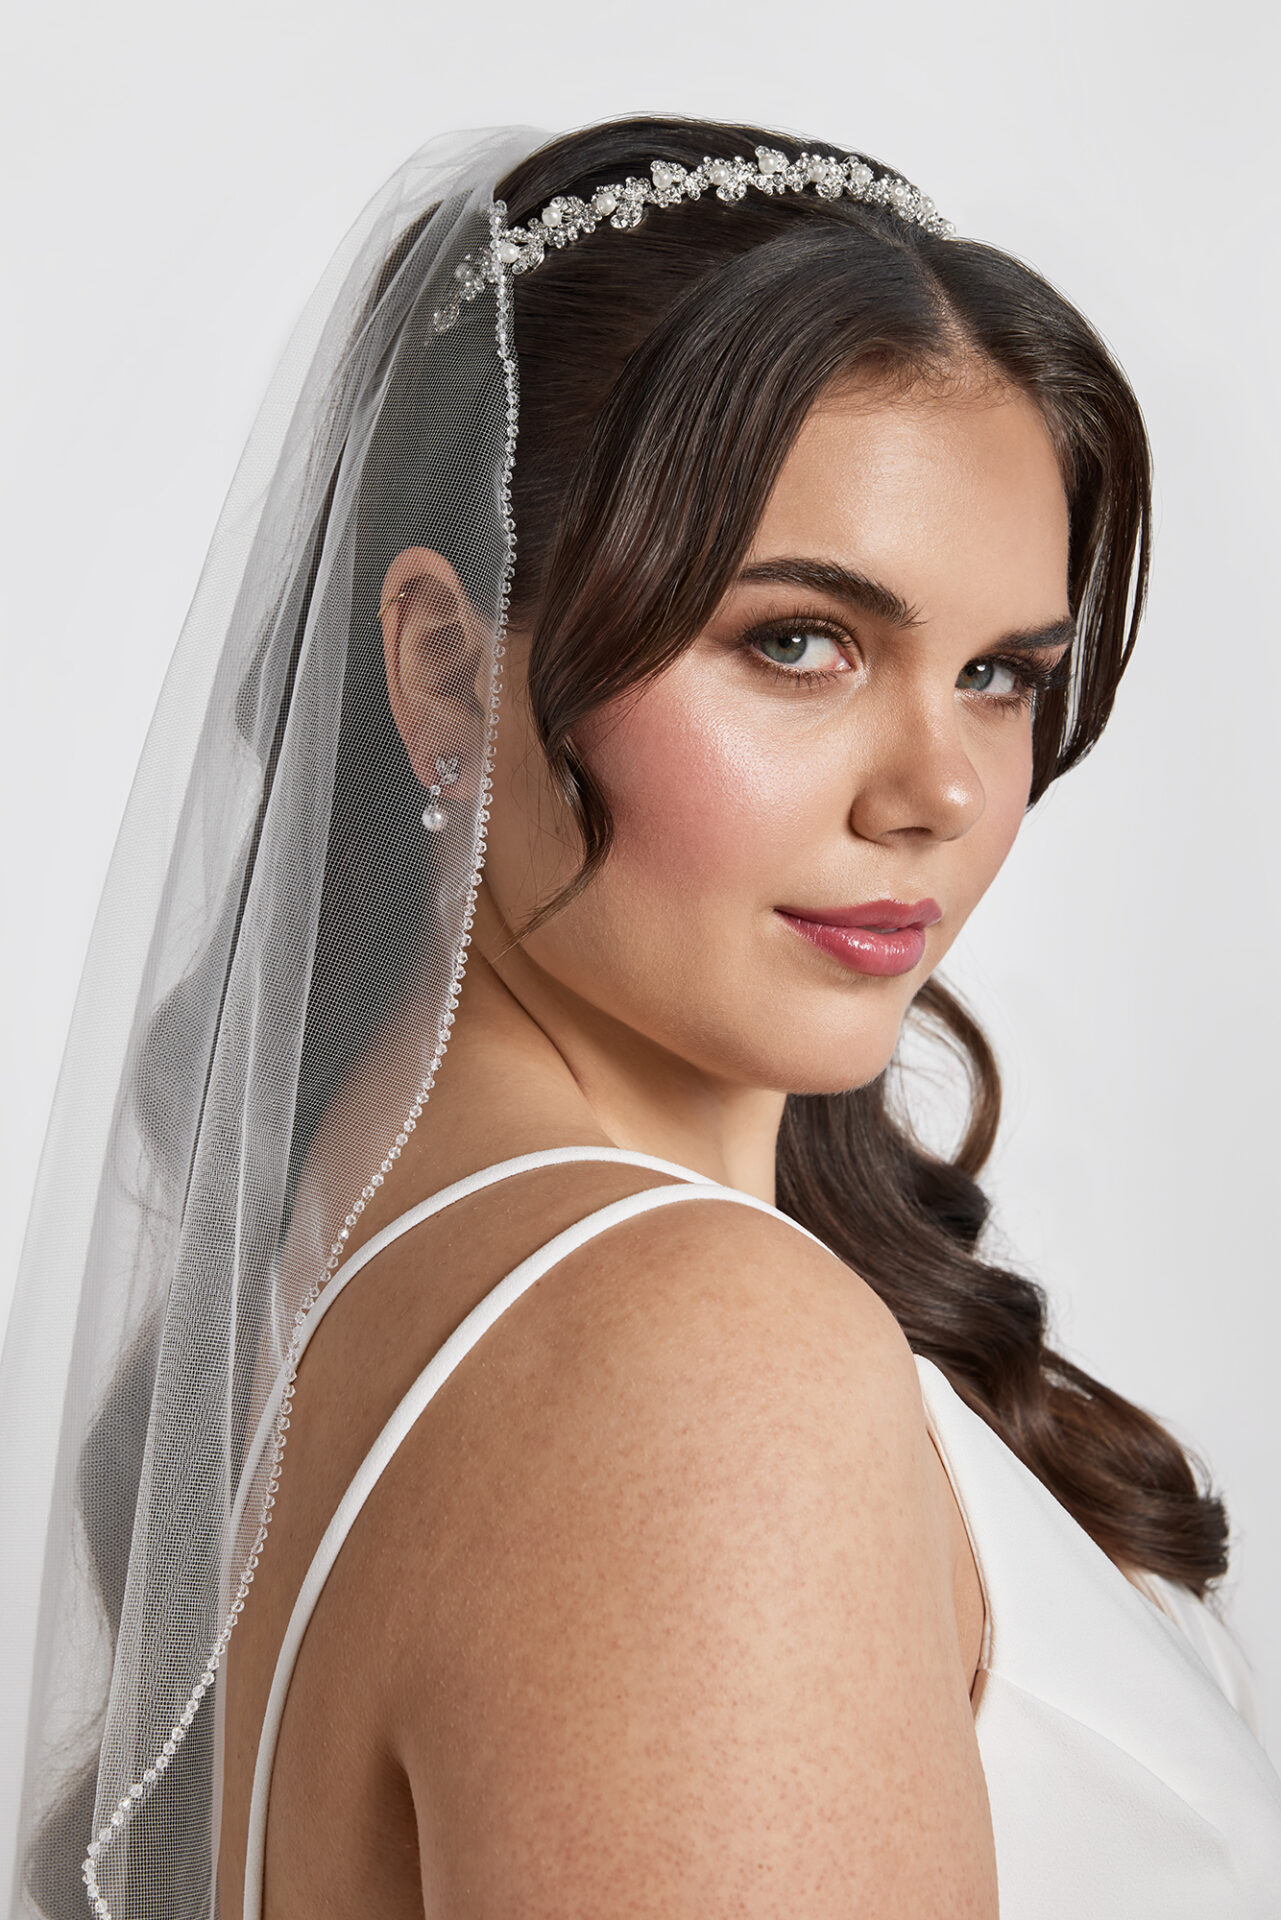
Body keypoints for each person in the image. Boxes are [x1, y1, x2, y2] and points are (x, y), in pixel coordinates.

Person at [3, 114, 1279, 1920]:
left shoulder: (364, 1293)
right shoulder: (698, 1363)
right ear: (445, 663)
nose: (938, 789)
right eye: (797, 641)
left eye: (999, 674)